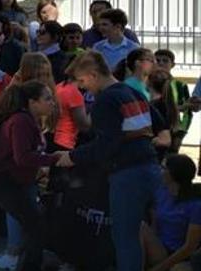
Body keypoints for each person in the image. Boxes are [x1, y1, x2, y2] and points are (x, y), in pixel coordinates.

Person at [58, 51, 162, 271]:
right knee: (146, 230)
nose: (81, 87)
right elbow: (157, 125)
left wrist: (72, 156)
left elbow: (106, 145)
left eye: (82, 81)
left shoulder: (106, 99)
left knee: (125, 237)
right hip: (150, 167)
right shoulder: (133, 92)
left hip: (127, 174)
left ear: (94, 75)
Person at [0, 81, 60, 271]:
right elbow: (22, 157)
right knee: (35, 225)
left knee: (34, 224)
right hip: (5, 182)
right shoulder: (21, 121)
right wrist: (55, 159)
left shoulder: (29, 120)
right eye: (47, 99)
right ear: (32, 102)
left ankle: (27, 262)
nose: (53, 103)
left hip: (17, 181)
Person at [141, 154, 201, 271]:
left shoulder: (195, 205)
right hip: (158, 247)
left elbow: (190, 246)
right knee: (139, 226)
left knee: (141, 227)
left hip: (177, 254)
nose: (160, 170)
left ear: (173, 173)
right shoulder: (161, 193)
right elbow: (154, 224)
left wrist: (160, 268)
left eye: (164, 168)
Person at [155, 49, 196, 145]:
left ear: (172, 65)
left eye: (165, 61)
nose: (160, 63)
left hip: (174, 131)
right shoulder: (147, 83)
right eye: (157, 60)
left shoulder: (180, 86)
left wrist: (181, 133)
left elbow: (187, 113)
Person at [52, 63, 91, 151]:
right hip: (66, 142)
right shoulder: (74, 93)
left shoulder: (59, 87)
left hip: (55, 138)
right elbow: (83, 125)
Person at [148, 69, 180, 159]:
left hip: (154, 153)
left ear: (148, 83)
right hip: (163, 153)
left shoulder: (153, 106)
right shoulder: (168, 104)